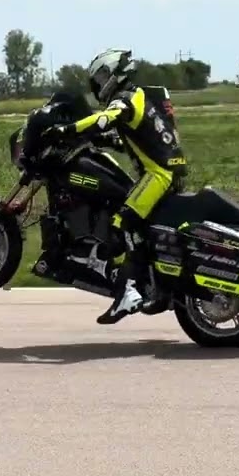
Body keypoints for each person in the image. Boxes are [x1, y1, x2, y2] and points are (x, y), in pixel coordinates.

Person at [42, 48, 189, 324]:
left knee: (124, 222)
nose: (98, 83)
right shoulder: (142, 96)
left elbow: (103, 119)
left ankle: (128, 292)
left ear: (113, 74)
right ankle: (158, 290)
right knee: (145, 228)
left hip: (158, 176)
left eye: (101, 76)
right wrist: (102, 141)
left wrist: (67, 130)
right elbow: (132, 140)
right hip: (167, 173)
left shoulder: (124, 99)